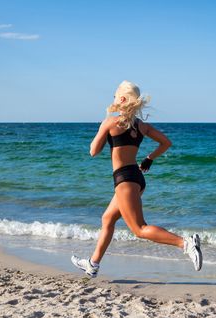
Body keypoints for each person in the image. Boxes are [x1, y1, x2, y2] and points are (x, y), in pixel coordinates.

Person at [71, 81, 202, 277]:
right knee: (107, 219)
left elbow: (93, 151)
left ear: (122, 99)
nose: (113, 100)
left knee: (139, 229)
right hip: (136, 178)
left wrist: (103, 129)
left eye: (115, 96)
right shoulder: (142, 126)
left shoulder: (110, 122)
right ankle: (93, 264)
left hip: (124, 180)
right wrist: (149, 158)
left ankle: (185, 243)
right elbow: (166, 143)